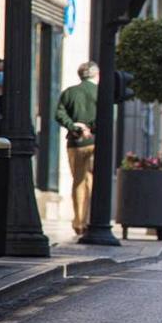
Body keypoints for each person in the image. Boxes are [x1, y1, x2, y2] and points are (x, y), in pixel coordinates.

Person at [55, 61, 99, 236]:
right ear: (96, 75)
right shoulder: (100, 93)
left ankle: (79, 222)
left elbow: (59, 113)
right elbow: (108, 116)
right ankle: (90, 220)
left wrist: (74, 126)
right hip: (95, 141)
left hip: (76, 143)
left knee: (78, 182)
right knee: (92, 181)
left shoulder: (70, 92)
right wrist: (91, 128)